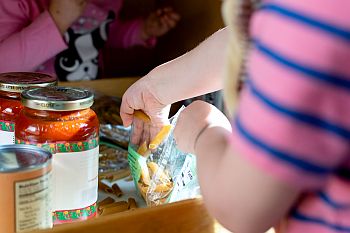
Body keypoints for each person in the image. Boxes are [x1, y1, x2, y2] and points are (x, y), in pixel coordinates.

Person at [120, 0, 350, 232]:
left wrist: (204, 129)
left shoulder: (311, 14)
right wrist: (156, 89)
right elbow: (256, 39)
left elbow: (241, 207)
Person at [0, 0, 180, 81]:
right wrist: (57, 20)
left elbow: (100, 33)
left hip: (88, 97)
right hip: (33, 112)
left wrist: (142, 30)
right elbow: (4, 68)